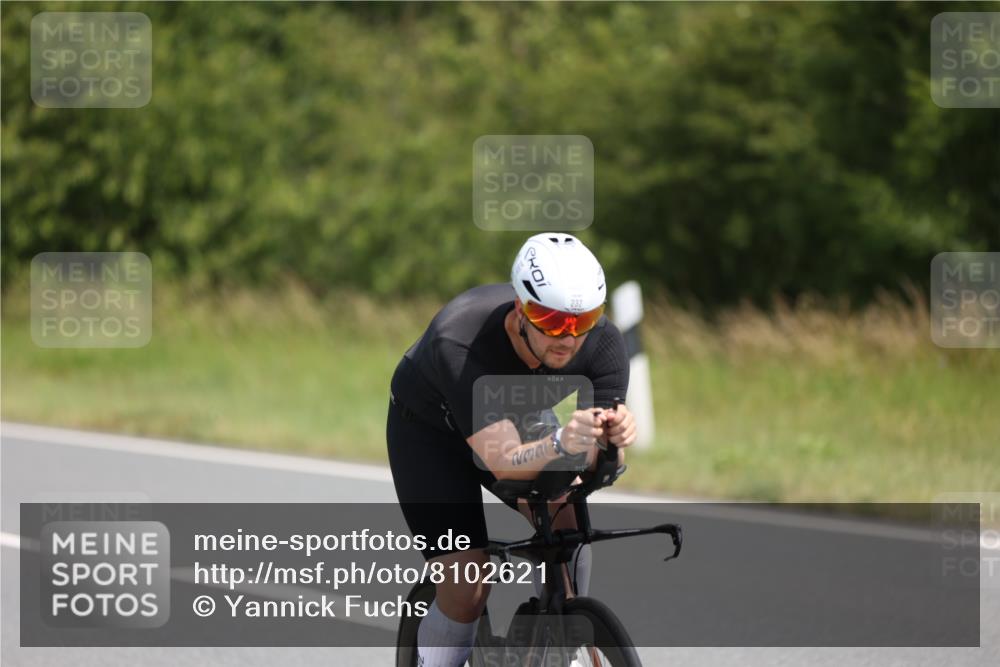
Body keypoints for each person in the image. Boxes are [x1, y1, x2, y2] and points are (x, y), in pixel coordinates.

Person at [386, 233, 637, 667]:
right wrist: (562, 443)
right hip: (431, 434)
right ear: (521, 309)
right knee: (468, 585)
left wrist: (611, 442)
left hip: (514, 414)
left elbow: (599, 466)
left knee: (567, 527)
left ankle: (561, 645)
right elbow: (503, 461)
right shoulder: (459, 340)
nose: (568, 338)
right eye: (550, 320)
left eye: (582, 320)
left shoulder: (603, 343)